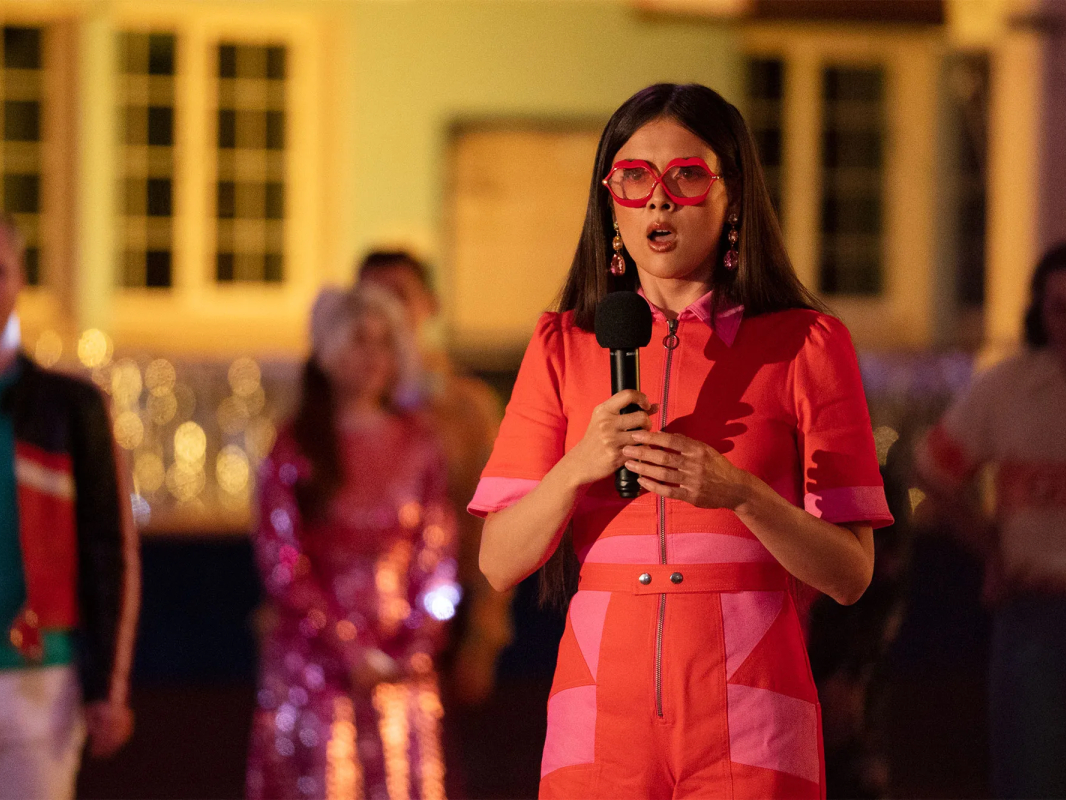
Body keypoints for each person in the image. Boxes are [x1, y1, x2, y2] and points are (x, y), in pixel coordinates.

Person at [469, 84, 893, 798]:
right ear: (610, 203)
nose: (658, 202)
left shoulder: (806, 344)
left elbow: (849, 575)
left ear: (734, 200)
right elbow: (498, 563)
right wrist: (579, 467)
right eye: (634, 179)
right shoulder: (562, 345)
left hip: (752, 695)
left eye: (686, 177)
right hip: (602, 697)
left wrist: (741, 494)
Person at [916, 240, 1066, 798]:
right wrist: (991, 546)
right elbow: (934, 472)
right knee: (1028, 779)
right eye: (1060, 308)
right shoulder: (1008, 387)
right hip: (1036, 613)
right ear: (1040, 313)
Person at [247, 284, 458, 800]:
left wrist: (419, 640)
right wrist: (346, 646)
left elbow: (437, 551)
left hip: (401, 665)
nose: (373, 356)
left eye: (386, 342)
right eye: (360, 340)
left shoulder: (418, 441)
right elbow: (283, 562)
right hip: (314, 667)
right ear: (328, 350)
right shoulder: (296, 444)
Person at [0, 209, 139, 800]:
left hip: (38, 678)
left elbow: (107, 547)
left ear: (19, 281)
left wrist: (107, 687)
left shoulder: (68, 408)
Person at [356, 251, 510, 705]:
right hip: (351, 624)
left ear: (430, 304)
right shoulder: (338, 407)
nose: (385, 311)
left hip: (444, 617)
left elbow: (491, 521)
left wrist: (484, 636)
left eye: (399, 296)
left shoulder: (464, 408)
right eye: (371, 297)